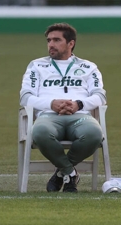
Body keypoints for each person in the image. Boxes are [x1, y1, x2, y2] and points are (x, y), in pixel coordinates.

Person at [20, 23, 107, 193]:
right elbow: (25, 96)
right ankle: (70, 172)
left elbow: (100, 96)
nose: (51, 44)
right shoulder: (36, 66)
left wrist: (78, 104)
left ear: (70, 43)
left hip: (80, 115)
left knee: (94, 134)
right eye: (49, 40)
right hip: (48, 116)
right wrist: (51, 104)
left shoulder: (88, 67)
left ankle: (61, 174)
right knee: (39, 133)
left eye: (56, 40)